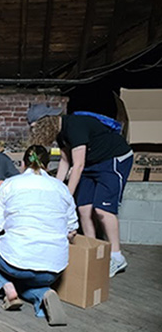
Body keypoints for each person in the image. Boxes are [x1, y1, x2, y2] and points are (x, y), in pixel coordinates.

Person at [27, 103, 133, 278]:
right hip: (92, 163)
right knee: (83, 208)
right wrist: (56, 189)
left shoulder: (74, 126)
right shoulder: (60, 133)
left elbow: (78, 166)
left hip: (112, 159)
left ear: (46, 122)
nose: (35, 131)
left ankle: (117, 256)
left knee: (102, 210)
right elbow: (65, 161)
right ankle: (94, 250)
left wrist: (66, 197)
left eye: (35, 127)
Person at [0, 145, 78, 325]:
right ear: (47, 166)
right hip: (53, 271)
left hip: (16, 263)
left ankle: (7, 287)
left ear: (23, 164)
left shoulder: (10, 184)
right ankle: (42, 295)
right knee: (31, 277)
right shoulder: (61, 188)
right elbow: (72, 230)